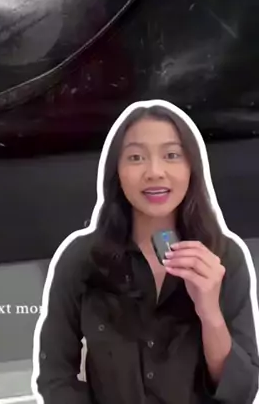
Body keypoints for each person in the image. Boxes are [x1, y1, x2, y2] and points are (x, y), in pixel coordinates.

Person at [32, 102, 259, 404]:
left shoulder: (225, 257)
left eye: (171, 155)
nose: (154, 172)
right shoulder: (81, 259)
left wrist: (209, 313)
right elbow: (55, 376)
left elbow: (242, 393)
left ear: (192, 167)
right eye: (136, 157)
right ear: (117, 171)